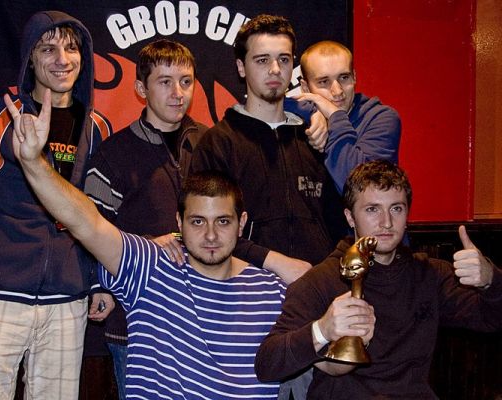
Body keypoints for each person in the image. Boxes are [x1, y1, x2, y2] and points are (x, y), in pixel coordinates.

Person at [4, 90, 288, 397]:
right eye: (197, 221)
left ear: (241, 223)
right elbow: (86, 221)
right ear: (179, 223)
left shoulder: (271, 290)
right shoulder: (150, 269)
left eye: (222, 221)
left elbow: (319, 357)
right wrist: (34, 163)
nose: (210, 235)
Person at [84, 38, 312, 399]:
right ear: (141, 89)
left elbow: (235, 220)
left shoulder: (213, 143)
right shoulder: (114, 154)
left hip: (213, 319)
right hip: (139, 323)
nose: (178, 93)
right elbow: (90, 232)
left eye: (186, 81)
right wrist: (111, 278)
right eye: (165, 82)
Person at [0, 11, 112, 399]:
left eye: (71, 48)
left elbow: (99, 216)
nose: (62, 59)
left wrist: (99, 281)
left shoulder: (97, 127)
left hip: (67, 297)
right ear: (30, 58)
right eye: (47, 49)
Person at [255, 160, 502, 399]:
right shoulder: (320, 282)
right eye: (372, 209)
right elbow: (267, 364)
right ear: (350, 217)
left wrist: (491, 280)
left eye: (396, 208)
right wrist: (322, 330)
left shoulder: (429, 274)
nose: (386, 222)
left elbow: (492, 319)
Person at [191, 14, 347, 269]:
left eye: (283, 59)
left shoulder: (315, 137)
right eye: (262, 60)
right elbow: (206, 232)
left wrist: (326, 275)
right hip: (245, 284)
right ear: (241, 67)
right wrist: (274, 262)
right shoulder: (218, 143)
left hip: (315, 284)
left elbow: (342, 220)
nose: (275, 69)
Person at [284, 40, 401, 193]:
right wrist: (314, 112)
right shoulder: (302, 116)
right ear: (305, 88)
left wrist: (334, 116)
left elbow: (363, 190)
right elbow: (266, 103)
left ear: (354, 77)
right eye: (324, 82)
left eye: (344, 77)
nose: (338, 91)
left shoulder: (381, 119)